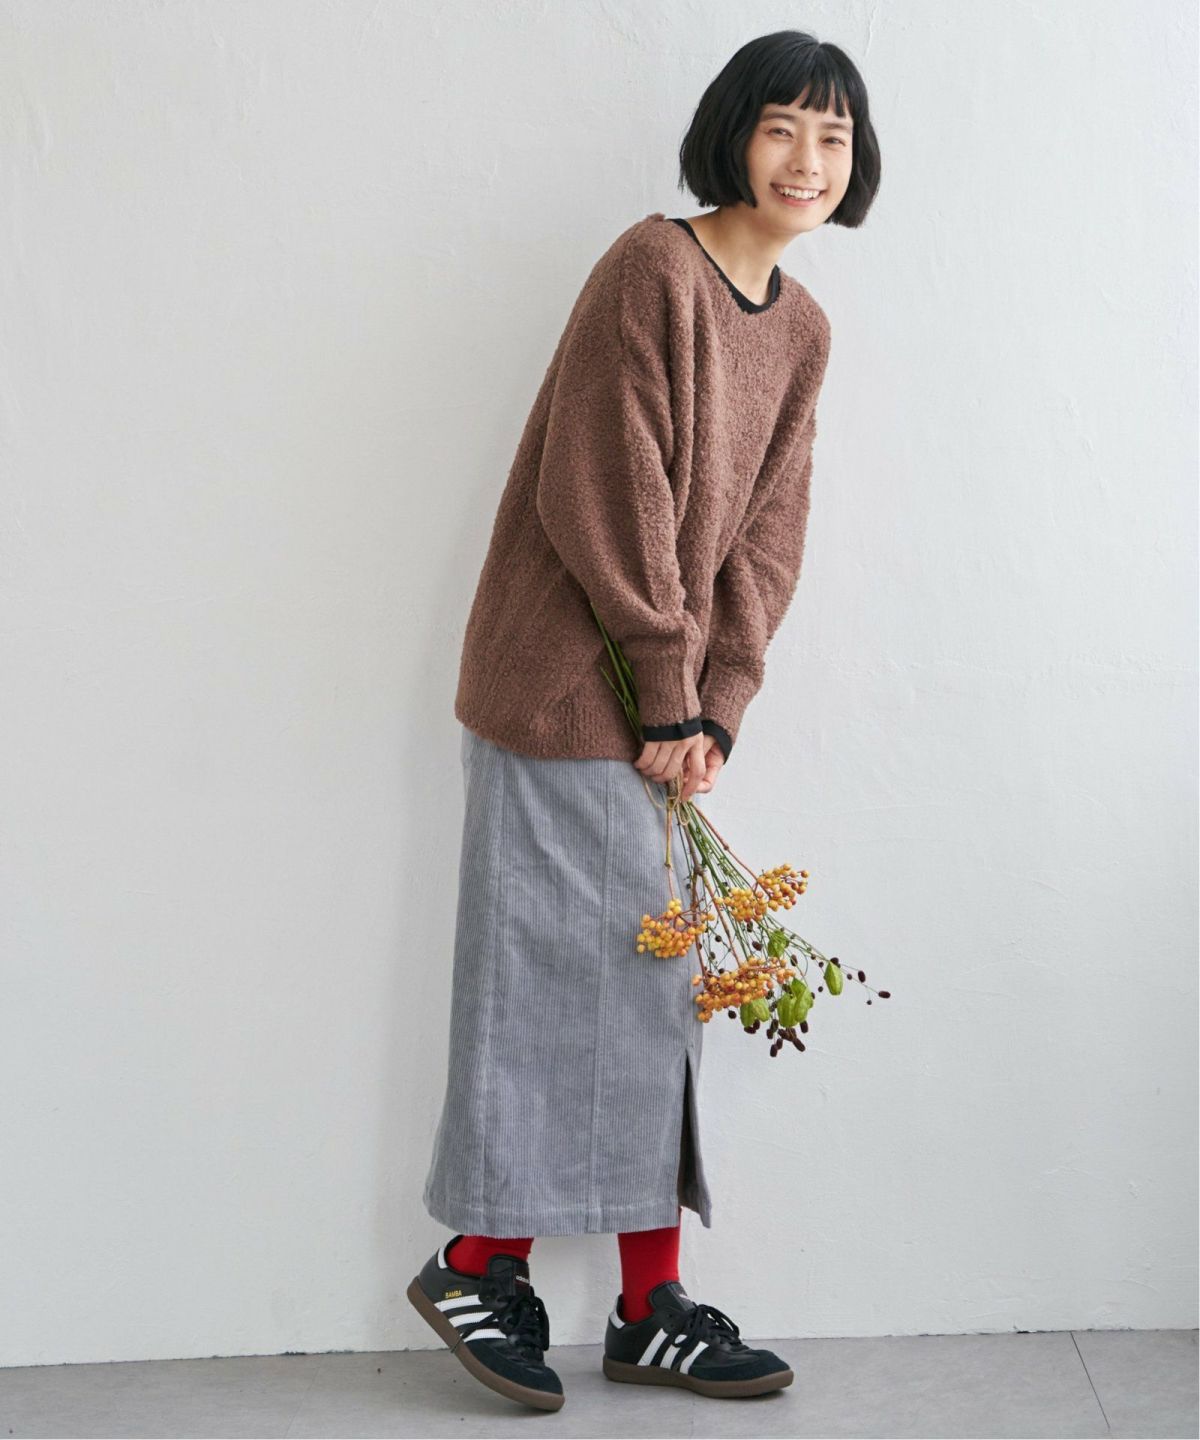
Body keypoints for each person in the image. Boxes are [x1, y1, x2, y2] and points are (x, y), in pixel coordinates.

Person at [407, 27, 881, 1413]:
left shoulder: (801, 329)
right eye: (784, 126)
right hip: (565, 689)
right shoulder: (649, 270)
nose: (807, 160)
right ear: (734, 132)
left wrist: (716, 708)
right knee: (553, 988)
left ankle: (644, 1305)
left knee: (648, 991)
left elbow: (768, 538)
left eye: (835, 137)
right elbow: (603, 493)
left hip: (662, 710)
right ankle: (479, 1264)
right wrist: (670, 690)